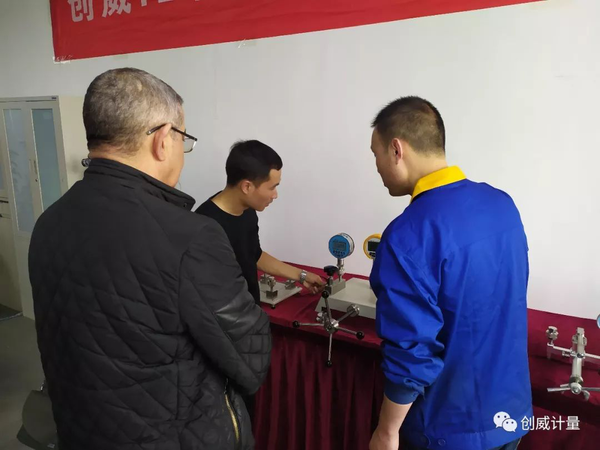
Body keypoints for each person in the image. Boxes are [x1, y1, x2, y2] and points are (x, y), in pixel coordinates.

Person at [28, 68, 271, 450]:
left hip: (81, 429)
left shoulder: (48, 222)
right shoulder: (190, 237)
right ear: (162, 139)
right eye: (183, 139)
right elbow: (251, 360)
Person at [367, 96, 532, 450]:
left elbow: (411, 353)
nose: (377, 167)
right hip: (510, 411)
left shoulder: (408, 234)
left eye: (376, 154)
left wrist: (386, 431)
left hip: (449, 427)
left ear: (397, 150)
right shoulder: (502, 205)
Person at [195, 139, 325, 305]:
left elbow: (254, 255)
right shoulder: (205, 226)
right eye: (272, 187)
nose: (275, 195)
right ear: (247, 187)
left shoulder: (247, 210)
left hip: (250, 310)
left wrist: (302, 275)